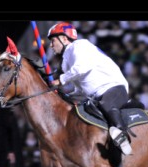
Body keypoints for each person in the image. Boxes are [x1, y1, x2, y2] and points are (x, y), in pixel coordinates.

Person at [47, 22, 132, 155]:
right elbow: (79, 89)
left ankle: (123, 136)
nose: (51, 45)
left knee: (106, 104)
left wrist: (60, 80)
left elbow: (81, 68)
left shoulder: (79, 45)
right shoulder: (65, 60)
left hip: (114, 88)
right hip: (95, 95)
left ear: (64, 38)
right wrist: (63, 93)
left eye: (53, 41)